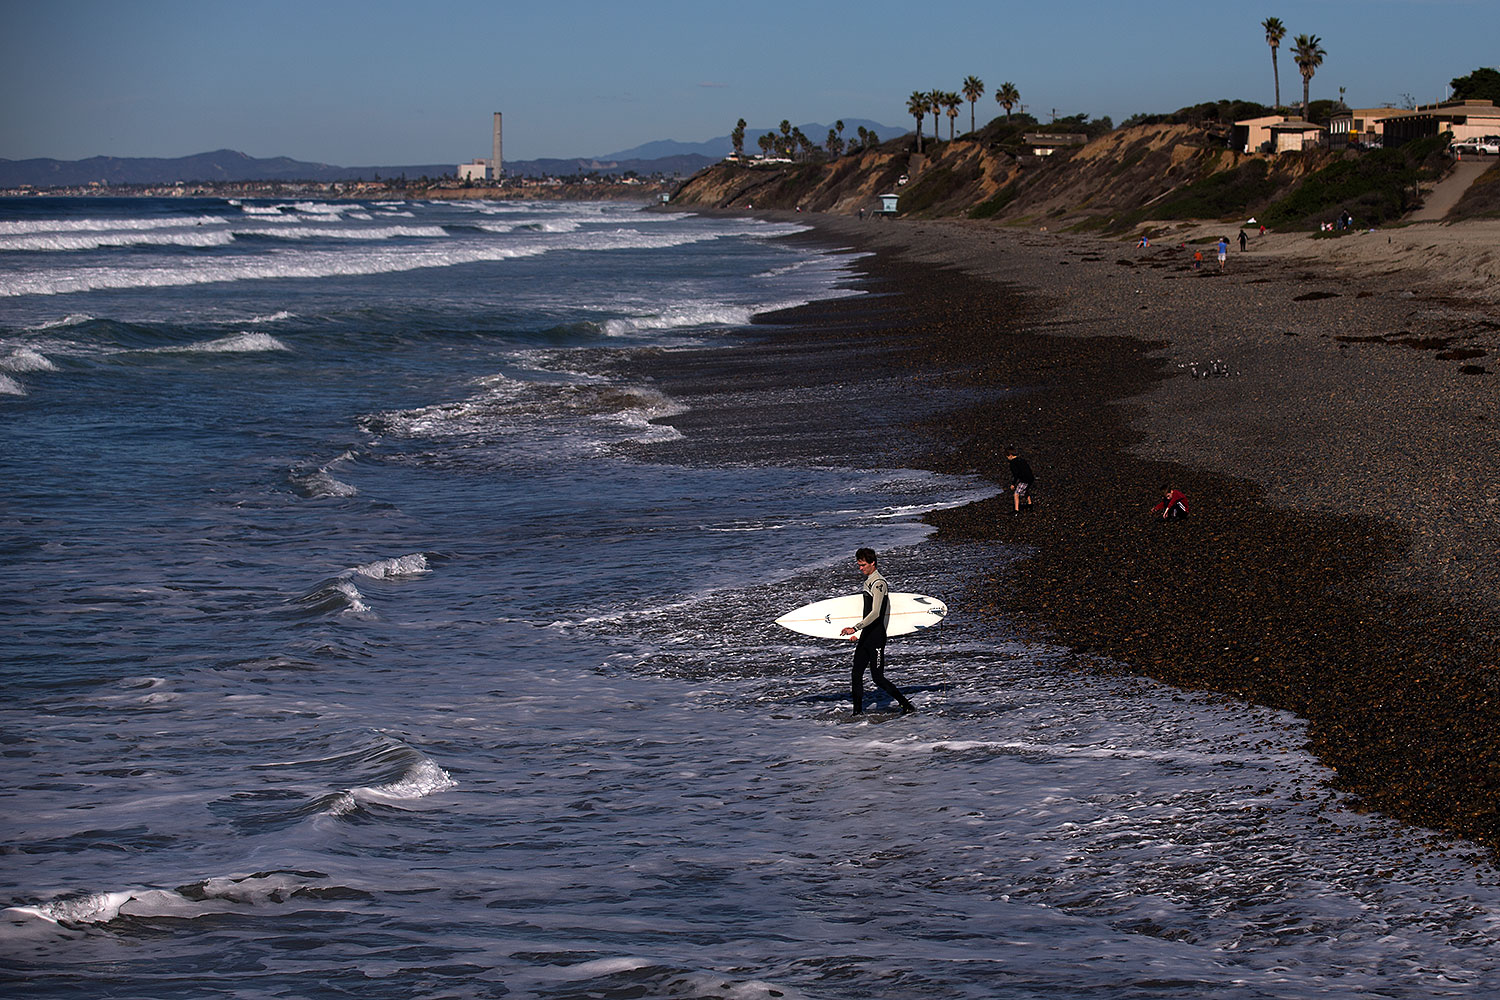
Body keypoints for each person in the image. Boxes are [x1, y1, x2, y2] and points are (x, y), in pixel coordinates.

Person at [839, 548, 915, 715]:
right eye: (858, 565)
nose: (860, 568)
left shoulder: (879, 583)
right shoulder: (868, 581)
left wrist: (855, 627)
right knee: (856, 674)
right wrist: (858, 633)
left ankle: (906, 705)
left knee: (877, 678)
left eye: (863, 565)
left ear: (872, 563)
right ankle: (857, 713)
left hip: (876, 637)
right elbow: (866, 612)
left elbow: (875, 613)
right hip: (866, 635)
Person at [1006, 447, 1034, 515]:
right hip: (1030, 478)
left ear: (1010, 455)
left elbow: (1016, 474)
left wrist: (1013, 484)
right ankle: (1030, 505)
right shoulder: (1021, 460)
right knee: (1025, 490)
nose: (1007, 458)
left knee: (1016, 494)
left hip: (1024, 479)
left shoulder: (1013, 463)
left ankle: (1016, 511)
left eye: (1007, 456)